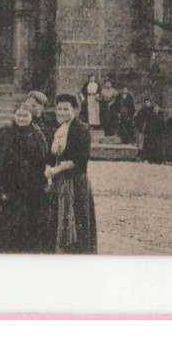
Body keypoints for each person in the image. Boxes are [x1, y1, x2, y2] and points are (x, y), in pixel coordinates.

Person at [0, 103, 47, 253]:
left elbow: (41, 161)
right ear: (14, 116)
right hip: (7, 186)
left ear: (31, 117)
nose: (22, 119)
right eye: (19, 115)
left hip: (29, 186)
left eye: (25, 116)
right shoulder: (5, 134)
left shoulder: (36, 135)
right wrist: (0, 188)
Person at [43, 93, 97, 254]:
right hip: (59, 181)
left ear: (75, 110)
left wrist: (55, 170)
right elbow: (51, 155)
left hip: (75, 181)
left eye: (66, 109)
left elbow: (78, 159)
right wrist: (48, 167)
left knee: (75, 219)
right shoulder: (59, 129)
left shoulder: (81, 129)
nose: (62, 112)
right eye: (59, 109)